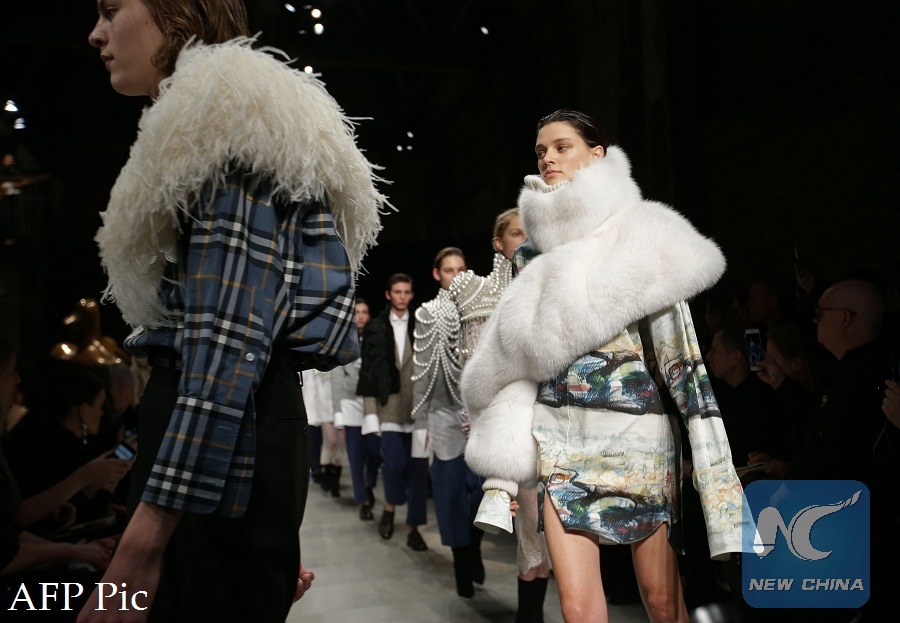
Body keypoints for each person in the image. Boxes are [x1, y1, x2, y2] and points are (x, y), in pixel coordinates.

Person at [83, 0, 385, 620]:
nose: (96, 33)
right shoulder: (219, 124)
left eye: (112, 9)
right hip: (231, 438)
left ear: (176, 11)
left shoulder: (226, 121)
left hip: (221, 428)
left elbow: (228, 346)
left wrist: (138, 552)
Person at [461, 109, 743, 623]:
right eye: (541, 151)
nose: (547, 159)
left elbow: (682, 361)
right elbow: (519, 361)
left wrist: (715, 477)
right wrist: (501, 471)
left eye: (561, 146)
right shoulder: (530, 257)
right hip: (561, 440)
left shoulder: (645, 235)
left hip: (637, 442)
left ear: (597, 155)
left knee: (662, 601)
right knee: (575, 607)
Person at [449, 209, 553, 621]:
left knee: (551, 530)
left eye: (530, 232)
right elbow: (475, 370)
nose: (524, 239)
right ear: (498, 242)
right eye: (515, 233)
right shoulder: (480, 294)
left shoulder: (548, 284)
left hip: (556, 418)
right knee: (530, 530)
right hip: (513, 428)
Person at [412, 247, 484, 596]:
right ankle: (461, 564)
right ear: (436, 274)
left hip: (481, 415)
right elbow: (422, 371)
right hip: (444, 416)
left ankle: (474, 548)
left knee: (483, 491)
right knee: (452, 494)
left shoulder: (480, 307)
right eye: (449, 270)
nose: (456, 276)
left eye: (461, 269)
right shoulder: (428, 312)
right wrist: (420, 426)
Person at [357, 274, 429, 551]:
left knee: (418, 473)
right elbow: (367, 374)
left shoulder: (422, 324)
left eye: (406, 292)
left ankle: (414, 528)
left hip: (418, 410)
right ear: (388, 294)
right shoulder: (375, 328)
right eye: (397, 291)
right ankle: (389, 508)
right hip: (388, 409)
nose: (402, 296)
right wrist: (370, 414)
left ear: (411, 295)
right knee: (393, 466)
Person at [331, 299, 381, 520]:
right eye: (357, 312)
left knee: (375, 451)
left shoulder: (376, 338)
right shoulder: (343, 341)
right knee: (355, 456)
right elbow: (336, 379)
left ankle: (369, 484)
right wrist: (338, 413)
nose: (360, 316)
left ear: (369, 315)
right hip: (350, 405)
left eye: (364, 312)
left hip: (372, 404)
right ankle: (363, 501)